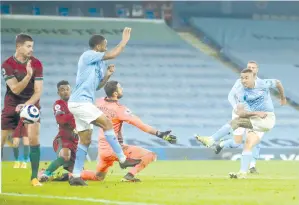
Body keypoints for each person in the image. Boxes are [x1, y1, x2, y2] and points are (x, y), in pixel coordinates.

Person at [68, 28, 141, 186]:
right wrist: (124, 41)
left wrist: (107, 75)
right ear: (97, 46)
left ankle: (75, 176)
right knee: (107, 124)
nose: (106, 47)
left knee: (85, 140)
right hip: (80, 102)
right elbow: (114, 53)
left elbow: (98, 86)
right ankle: (122, 159)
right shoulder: (88, 55)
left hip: (81, 102)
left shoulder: (99, 63)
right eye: (105, 45)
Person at [196, 68, 286, 178]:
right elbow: (241, 113)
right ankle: (243, 173)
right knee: (247, 144)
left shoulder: (263, 83)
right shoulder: (242, 92)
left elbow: (278, 83)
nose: (243, 80)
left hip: (267, 119)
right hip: (256, 119)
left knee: (236, 122)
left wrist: (282, 98)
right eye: (242, 78)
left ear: (253, 77)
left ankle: (211, 140)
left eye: (246, 78)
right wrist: (257, 113)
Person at [81, 81, 176, 182]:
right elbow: (141, 125)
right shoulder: (120, 110)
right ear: (115, 94)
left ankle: (72, 175)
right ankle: (129, 176)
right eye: (120, 88)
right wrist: (159, 134)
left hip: (103, 150)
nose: (122, 89)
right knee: (150, 155)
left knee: (98, 177)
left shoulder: (99, 102)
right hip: (116, 149)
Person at [1, 33, 44, 186]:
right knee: (2, 140)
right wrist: (27, 76)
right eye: (28, 46)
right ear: (18, 46)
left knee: (33, 139)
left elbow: (38, 91)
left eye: (32, 46)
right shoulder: (7, 64)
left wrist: (27, 105)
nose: (31, 49)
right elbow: (15, 89)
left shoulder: (37, 63)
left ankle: (34, 178)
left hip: (31, 104)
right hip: (11, 104)